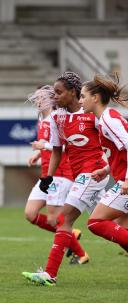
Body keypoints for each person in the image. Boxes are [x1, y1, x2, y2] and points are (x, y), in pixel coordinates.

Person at [22, 71, 108, 286]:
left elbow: (113, 143)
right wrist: (47, 177)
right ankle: (53, 273)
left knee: (63, 219)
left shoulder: (92, 115)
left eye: (59, 92)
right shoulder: (57, 118)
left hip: (93, 173)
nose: (55, 96)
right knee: (111, 223)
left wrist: (108, 167)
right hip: (83, 176)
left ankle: (50, 274)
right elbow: (58, 151)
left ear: (72, 92)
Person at [25, 86, 82, 261]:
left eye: (42, 97)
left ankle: (80, 253)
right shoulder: (44, 119)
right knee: (30, 213)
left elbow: (68, 146)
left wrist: (44, 147)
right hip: (47, 175)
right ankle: (73, 235)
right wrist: (38, 154)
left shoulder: (57, 119)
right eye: (37, 97)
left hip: (60, 174)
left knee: (53, 220)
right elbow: (49, 144)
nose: (37, 101)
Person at [79, 74, 128, 254]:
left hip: (126, 181)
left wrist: (127, 180)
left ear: (95, 98)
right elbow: (121, 152)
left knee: (95, 222)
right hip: (121, 178)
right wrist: (106, 170)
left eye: (83, 96)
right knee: (121, 226)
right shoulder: (105, 120)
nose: (80, 101)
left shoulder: (108, 120)